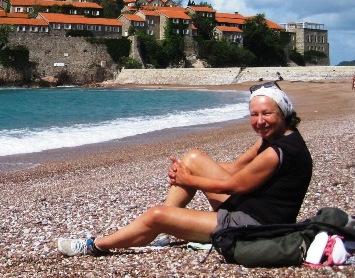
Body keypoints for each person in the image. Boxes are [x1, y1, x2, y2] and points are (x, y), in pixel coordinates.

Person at [57, 82, 313, 257]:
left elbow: (234, 185)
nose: (259, 121)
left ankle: (94, 246)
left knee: (155, 214)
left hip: (254, 226)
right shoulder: (273, 140)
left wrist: (190, 179)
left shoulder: (277, 152)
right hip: (249, 206)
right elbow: (234, 168)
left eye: (266, 114)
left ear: (283, 112)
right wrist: (186, 171)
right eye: (254, 114)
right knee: (192, 157)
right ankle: (166, 231)